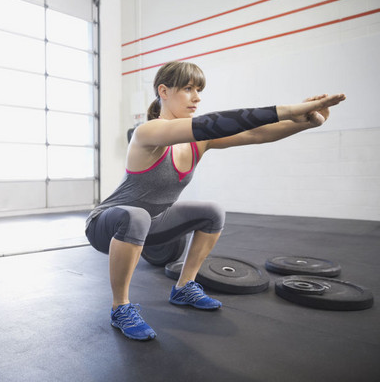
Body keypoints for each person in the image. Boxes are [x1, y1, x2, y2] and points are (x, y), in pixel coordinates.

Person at [85, 61, 346, 341]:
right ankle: (120, 307)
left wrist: (305, 122)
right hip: (106, 224)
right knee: (136, 216)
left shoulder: (199, 141)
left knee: (212, 212)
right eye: (188, 89)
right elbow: (217, 121)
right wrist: (295, 109)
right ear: (163, 91)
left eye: (199, 90)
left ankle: (184, 287)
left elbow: (255, 134)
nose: (197, 97)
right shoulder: (148, 133)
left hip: (153, 222)